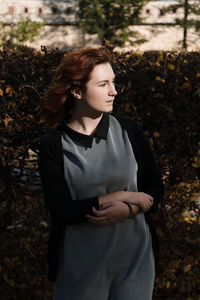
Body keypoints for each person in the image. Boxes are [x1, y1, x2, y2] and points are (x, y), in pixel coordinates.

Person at [38, 48, 164, 300]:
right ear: (77, 91)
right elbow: (61, 210)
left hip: (134, 260)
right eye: (103, 84)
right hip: (80, 266)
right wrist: (120, 196)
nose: (113, 91)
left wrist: (128, 210)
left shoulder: (129, 131)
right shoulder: (53, 145)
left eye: (113, 82)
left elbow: (154, 189)